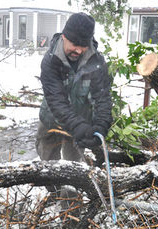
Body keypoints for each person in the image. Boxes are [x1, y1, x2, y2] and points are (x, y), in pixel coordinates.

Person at [35, 12, 113, 211]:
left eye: (83, 45)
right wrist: (76, 125)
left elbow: (102, 98)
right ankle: (53, 193)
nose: (78, 49)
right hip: (51, 118)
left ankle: (70, 215)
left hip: (81, 122)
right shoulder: (50, 60)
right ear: (64, 37)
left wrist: (101, 126)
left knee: (74, 171)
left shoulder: (96, 61)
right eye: (74, 44)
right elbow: (56, 100)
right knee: (47, 166)